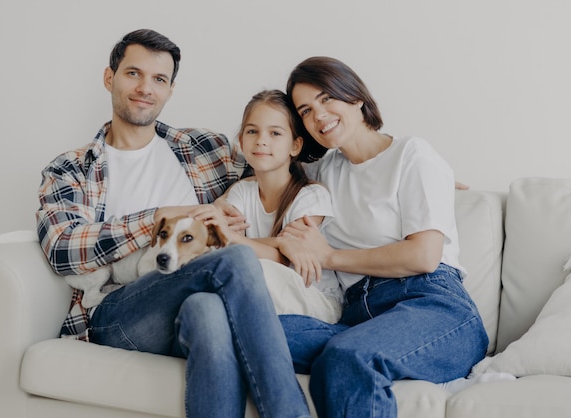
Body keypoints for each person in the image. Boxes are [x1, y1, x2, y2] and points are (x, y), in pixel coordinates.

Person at [36, 29, 311, 418]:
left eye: (159, 79)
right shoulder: (71, 169)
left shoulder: (204, 150)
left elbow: (276, 155)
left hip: (189, 305)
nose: (145, 88)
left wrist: (301, 230)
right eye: (133, 73)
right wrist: (158, 216)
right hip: (119, 312)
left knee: (207, 311)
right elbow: (63, 248)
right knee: (233, 261)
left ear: (170, 89)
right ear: (109, 78)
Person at [276, 56, 489, 418]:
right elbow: (262, 153)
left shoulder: (413, 154)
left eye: (327, 98)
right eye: (306, 110)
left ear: (356, 97)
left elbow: (423, 256)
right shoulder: (322, 172)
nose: (319, 115)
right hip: (359, 317)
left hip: (432, 303)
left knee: (347, 358)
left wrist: (329, 257)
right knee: (243, 328)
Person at [192, 89, 342, 323]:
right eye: (252, 131)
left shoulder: (311, 196)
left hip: (315, 299)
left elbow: (284, 258)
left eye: (275, 133)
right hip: (263, 291)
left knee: (243, 270)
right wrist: (277, 242)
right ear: (241, 141)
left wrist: (231, 235)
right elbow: (227, 248)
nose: (261, 140)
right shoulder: (242, 191)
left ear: (295, 145)